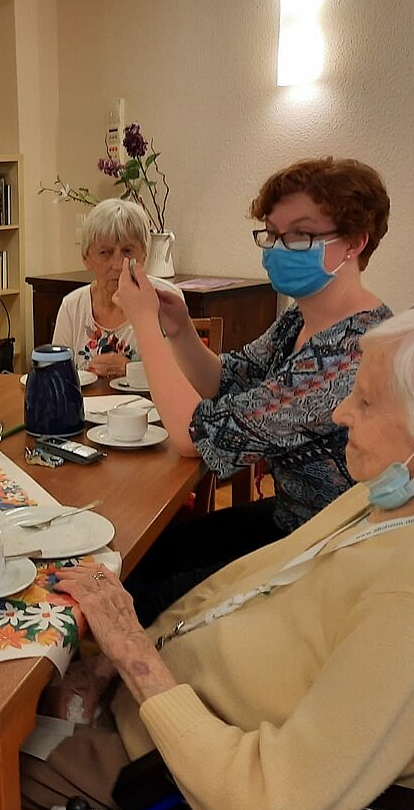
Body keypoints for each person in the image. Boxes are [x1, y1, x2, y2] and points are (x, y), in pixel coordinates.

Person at [25, 302, 414, 810]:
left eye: (366, 401)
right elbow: (244, 585)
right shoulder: (412, 497)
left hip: (166, 768)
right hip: (156, 702)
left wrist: (133, 653)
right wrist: (118, 658)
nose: (341, 412)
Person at [117, 157, 394, 619]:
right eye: (272, 233)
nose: (280, 249)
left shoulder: (351, 354)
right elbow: (225, 380)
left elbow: (194, 438)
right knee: (141, 557)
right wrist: (179, 328)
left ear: (355, 241)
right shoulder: (301, 319)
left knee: (140, 594)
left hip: (324, 554)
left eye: (300, 235)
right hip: (290, 519)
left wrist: (143, 322)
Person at [52, 198, 184, 380]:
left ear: (144, 255)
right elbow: (57, 377)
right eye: (104, 252)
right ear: (86, 258)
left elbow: (179, 377)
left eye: (127, 251)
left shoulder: (166, 299)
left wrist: (130, 369)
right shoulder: (72, 306)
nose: (116, 264)